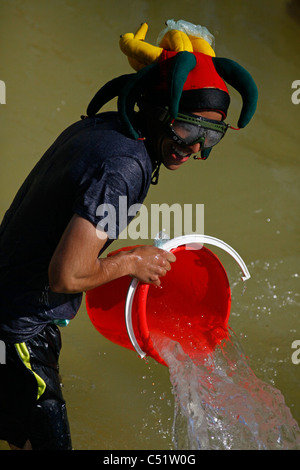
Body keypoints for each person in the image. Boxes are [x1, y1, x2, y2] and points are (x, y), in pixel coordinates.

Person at [0, 21, 258, 450]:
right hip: (18, 330)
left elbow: (61, 231)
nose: (195, 146)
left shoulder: (105, 129)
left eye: (211, 134)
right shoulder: (125, 168)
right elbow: (66, 275)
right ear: (160, 108)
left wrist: (122, 259)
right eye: (187, 127)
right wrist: (132, 263)